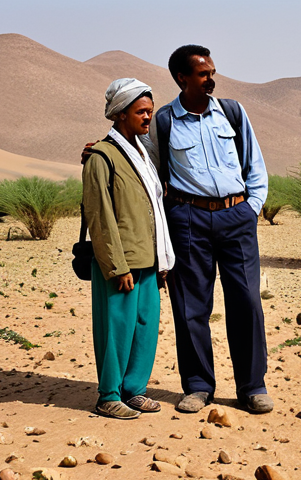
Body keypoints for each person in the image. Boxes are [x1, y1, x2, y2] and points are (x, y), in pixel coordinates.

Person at [140, 45, 272, 414]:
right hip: (188, 220)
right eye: (203, 74)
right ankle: (198, 386)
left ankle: (252, 386)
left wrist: (251, 208)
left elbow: (254, 163)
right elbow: (144, 165)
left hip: (237, 218)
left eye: (212, 72)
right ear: (182, 78)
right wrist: (98, 153)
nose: (211, 79)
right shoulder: (164, 121)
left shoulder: (231, 112)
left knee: (246, 302)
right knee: (190, 307)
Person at [82, 78, 176, 419]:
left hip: (151, 257)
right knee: (115, 329)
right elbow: (100, 216)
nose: (148, 117)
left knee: (144, 326)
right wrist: (116, 265)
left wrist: (162, 259)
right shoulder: (101, 157)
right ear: (121, 115)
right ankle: (109, 394)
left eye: (150, 111)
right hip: (120, 261)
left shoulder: (143, 154)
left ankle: (134, 390)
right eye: (141, 112)